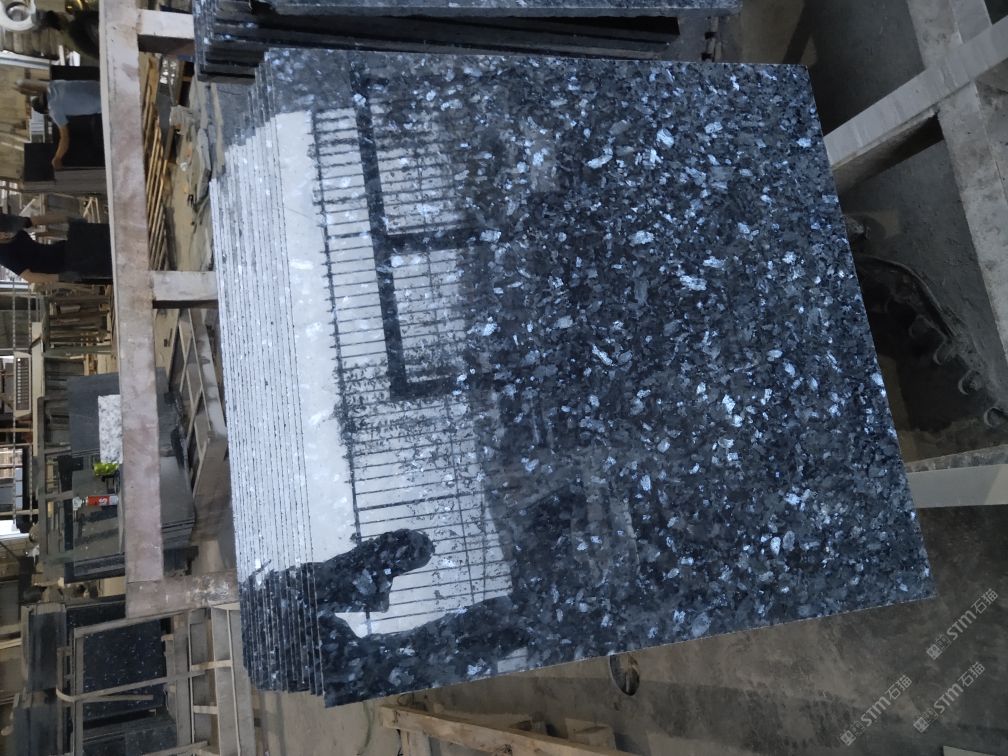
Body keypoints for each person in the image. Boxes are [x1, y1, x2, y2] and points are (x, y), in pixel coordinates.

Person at [16, 79, 102, 170]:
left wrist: (57, 157)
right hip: (101, 86)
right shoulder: (54, 84)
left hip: (102, 103)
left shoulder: (54, 110)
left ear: (45, 110)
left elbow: (65, 137)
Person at [0, 221, 112, 285]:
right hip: (63, 266)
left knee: (101, 238)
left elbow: (32, 220)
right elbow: (29, 277)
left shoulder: (8, 226)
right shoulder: (3, 254)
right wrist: (60, 277)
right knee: (106, 263)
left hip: (61, 250)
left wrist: (64, 218)